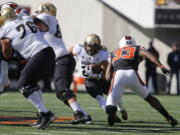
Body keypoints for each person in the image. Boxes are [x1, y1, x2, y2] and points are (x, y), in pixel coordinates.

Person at [34, 2, 92, 124]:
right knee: (59, 92)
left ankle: (79, 113)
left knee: (62, 88)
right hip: (57, 60)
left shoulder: (47, 17)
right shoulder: (50, 20)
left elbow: (33, 20)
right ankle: (83, 114)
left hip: (62, 59)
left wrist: (20, 18)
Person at [0, 7, 56, 129]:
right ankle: (41, 114)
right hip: (48, 51)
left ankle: (46, 113)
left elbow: (7, 54)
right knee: (31, 84)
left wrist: (13, 50)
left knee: (23, 85)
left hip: (39, 54)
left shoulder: (5, 29)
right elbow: (44, 28)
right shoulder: (25, 18)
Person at [105, 35, 178, 127]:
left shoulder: (113, 53)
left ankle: (112, 113)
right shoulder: (137, 48)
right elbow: (149, 55)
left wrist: (111, 83)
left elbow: (107, 76)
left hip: (118, 76)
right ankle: (168, 117)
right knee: (149, 98)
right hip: (132, 75)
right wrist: (161, 66)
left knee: (109, 106)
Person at [70, 34, 128, 122]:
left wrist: (102, 68)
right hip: (90, 80)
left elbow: (109, 67)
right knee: (99, 97)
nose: (90, 49)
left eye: (93, 47)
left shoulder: (104, 54)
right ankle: (111, 114)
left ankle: (122, 109)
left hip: (101, 79)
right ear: (85, 45)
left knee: (114, 95)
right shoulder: (79, 49)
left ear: (98, 47)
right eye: (88, 46)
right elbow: (70, 50)